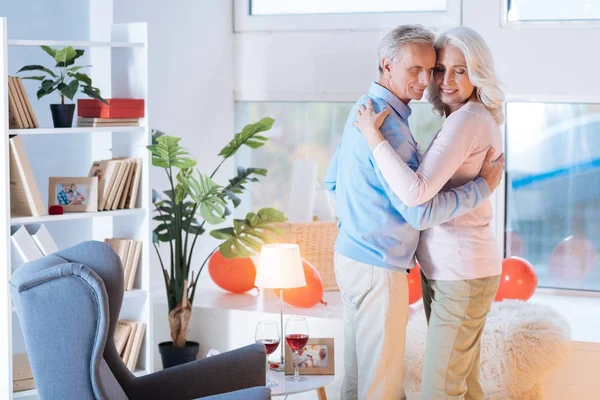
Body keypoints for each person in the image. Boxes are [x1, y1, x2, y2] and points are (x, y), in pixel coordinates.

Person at [324, 24, 504, 400]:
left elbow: (332, 182)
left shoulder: (365, 109)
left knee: (359, 381)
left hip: (353, 257)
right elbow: (418, 211)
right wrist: (482, 187)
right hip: (378, 265)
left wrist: (355, 226)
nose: (428, 81)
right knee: (383, 387)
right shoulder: (385, 124)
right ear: (386, 65)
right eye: (419, 70)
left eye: (432, 69)